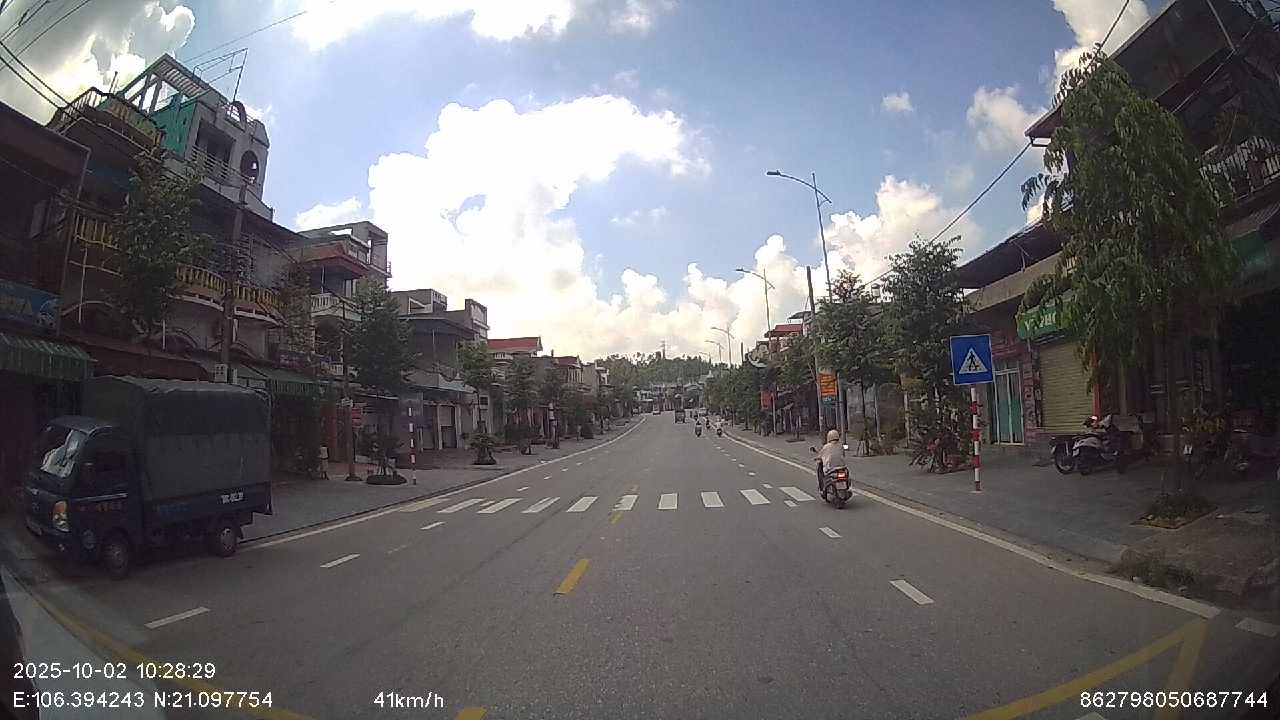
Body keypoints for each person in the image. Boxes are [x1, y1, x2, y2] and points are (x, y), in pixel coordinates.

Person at [815, 429, 847, 493]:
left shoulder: (826, 447)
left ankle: (822, 488)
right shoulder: (841, 446)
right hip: (842, 468)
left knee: (820, 471)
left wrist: (817, 458)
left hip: (830, 469)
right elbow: (843, 455)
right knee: (847, 474)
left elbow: (820, 455)